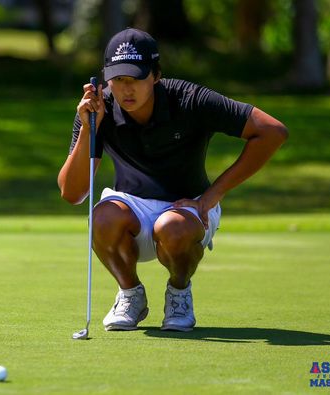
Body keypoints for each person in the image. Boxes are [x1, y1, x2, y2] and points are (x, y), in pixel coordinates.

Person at [58, 28, 288, 332]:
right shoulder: (97, 110)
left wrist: (212, 195)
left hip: (190, 208)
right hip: (132, 207)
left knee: (172, 227)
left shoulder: (190, 99)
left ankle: (179, 292)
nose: (126, 89)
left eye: (135, 79)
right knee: (101, 217)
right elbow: (73, 194)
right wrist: (90, 128)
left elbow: (273, 132)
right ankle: (130, 295)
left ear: (155, 75)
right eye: (117, 79)